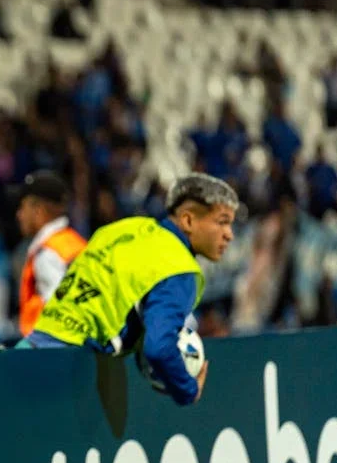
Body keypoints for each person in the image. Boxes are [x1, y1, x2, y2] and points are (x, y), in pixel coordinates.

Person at [22, 173, 240, 406]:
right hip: (70, 369)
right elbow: (159, 348)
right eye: (222, 222)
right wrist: (188, 389)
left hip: (32, 346)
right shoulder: (178, 267)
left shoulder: (124, 228)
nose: (229, 234)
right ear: (188, 221)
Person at [15, 172, 86, 337]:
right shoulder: (76, 243)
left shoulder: (47, 253)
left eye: (23, 207)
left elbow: (60, 311)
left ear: (38, 210)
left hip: (51, 345)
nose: (19, 215)